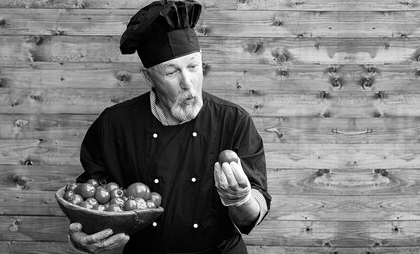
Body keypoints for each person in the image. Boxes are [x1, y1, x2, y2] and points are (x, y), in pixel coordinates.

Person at [66, 1, 271, 253]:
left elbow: (251, 215)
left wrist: (241, 199)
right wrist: (82, 234)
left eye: (194, 67)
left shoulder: (234, 120)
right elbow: (92, 197)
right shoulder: (114, 125)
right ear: (149, 77)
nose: (188, 83)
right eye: (172, 73)